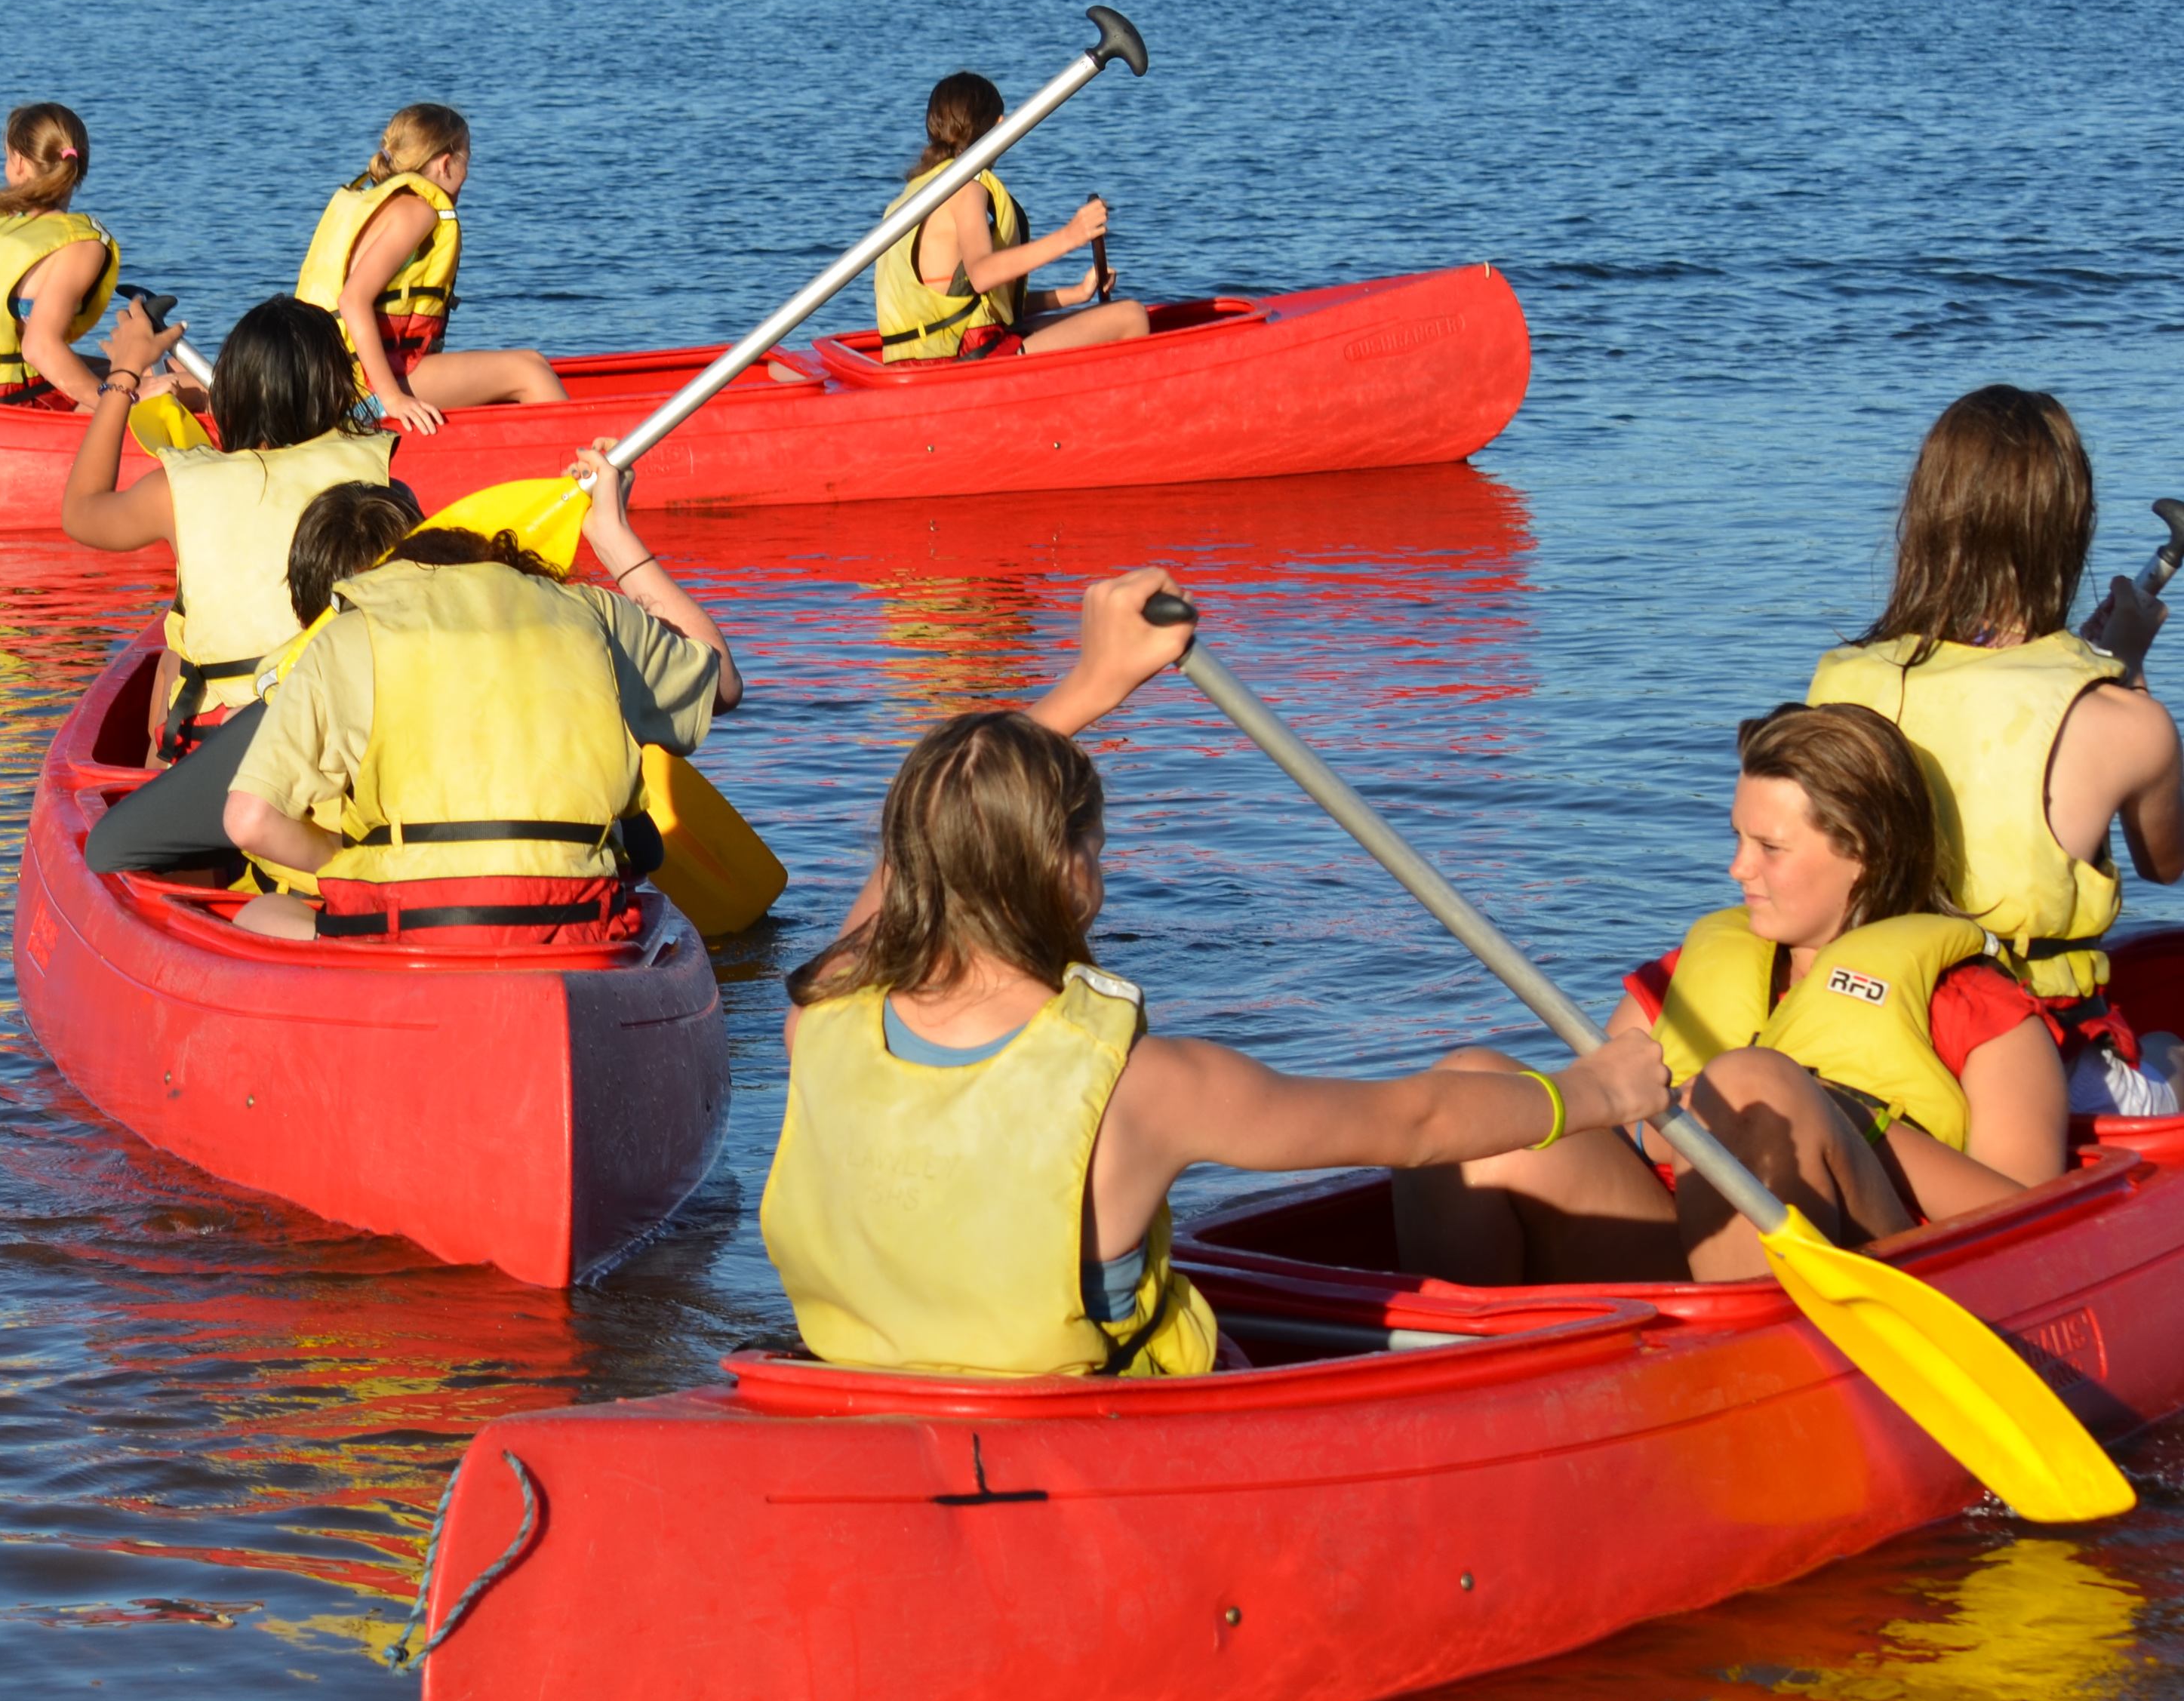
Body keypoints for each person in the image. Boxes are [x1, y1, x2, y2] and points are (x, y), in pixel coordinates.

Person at [762, 573, 1668, 1379]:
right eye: (1095, 848)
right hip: (1081, 1433)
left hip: (856, 1396)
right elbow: (1416, 1123)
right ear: (1068, 869)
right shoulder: (1144, 1087)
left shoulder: (820, 1020)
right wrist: (1593, 1092)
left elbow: (918, 851)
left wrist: (1086, 687)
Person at [1392, 702, 2067, 1291]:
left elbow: (2037, 1234)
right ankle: (1464, 1367)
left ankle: (1760, 1367)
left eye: (1770, 847)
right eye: (1738, 838)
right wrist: (1659, 1128)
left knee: (1751, 1084)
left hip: (1869, 1282)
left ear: (1867, 851)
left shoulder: (1978, 1009)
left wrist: (1842, 1115)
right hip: (1675, 1264)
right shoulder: (1683, 977)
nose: (1738, 868)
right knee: (1471, 1086)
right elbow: (1599, 1114)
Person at [1807, 386, 2183, 1115]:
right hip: (2037, 1060)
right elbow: (2166, 863)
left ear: (1926, 515)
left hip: (1873, 1026)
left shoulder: (1838, 681)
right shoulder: (2124, 721)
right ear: (2070, 529)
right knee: (2173, 1048)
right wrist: (2128, 673)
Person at [219, 444, 728, 943]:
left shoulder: (338, 639)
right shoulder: (594, 613)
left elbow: (249, 820)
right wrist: (614, 537)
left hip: (410, 928)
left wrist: (353, 866)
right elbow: (722, 681)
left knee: (258, 913)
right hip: (575, 927)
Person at [62, 295, 395, 758]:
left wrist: (124, 374)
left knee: (175, 646)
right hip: (330, 736)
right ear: (339, 387)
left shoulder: (173, 491)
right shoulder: (383, 480)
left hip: (214, 751)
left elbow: (80, 512)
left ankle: (154, 777)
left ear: (231, 396)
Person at [85, 476, 423, 882]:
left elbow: (109, 847)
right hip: (464, 897)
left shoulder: (286, 711)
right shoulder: (475, 677)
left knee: (262, 908)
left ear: (301, 614)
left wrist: (352, 867)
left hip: (329, 900)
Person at [292, 104, 566, 433]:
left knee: (530, 365)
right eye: (467, 162)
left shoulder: (384, 203)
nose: (467, 175)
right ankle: (583, 459)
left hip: (335, 378)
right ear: (445, 164)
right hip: (361, 391)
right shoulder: (416, 212)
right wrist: (393, 398)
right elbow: (352, 300)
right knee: (528, 371)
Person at [869, 72, 1149, 364]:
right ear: (1000, 126)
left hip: (924, 360)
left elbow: (986, 308)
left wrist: (1077, 294)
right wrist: (1070, 236)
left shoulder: (911, 196)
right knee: (1130, 316)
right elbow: (982, 275)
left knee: (1088, 318)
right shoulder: (966, 190)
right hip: (960, 361)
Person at [0, 103, 150, 409]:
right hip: (15, 398)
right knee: (186, 385)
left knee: (146, 371)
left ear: (19, 162)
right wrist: (121, 400)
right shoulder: (79, 245)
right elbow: (39, 348)